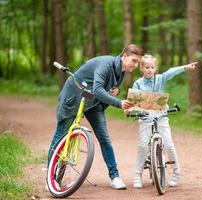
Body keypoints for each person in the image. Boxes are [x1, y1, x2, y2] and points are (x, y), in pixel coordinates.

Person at [48, 44, 145, 190]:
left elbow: (103, 88)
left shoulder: (122, 70)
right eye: (134, 60)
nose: (136, 65)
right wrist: (118, 103)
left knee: (105, 139)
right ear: (124, 56)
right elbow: (98, 89)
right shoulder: (105, 64)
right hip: (75, 96)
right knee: (61, 136)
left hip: (92, 102)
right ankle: (50, 178)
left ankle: (115, 176)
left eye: (138, 62)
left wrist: (114, 90)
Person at [131, 54, 197, 188]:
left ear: (155, 68)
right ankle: (137, 174)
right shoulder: (138, 83)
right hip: (145, 116)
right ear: (142, 68)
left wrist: (184, 67)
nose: (150, 69)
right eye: (147, 67)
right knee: (143, 145)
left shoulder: (160, 79)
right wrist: (130, 109)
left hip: (161, 114)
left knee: (168, 144)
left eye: (152, 67)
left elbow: (170, 72)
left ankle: (176, 171)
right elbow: (133, 101)